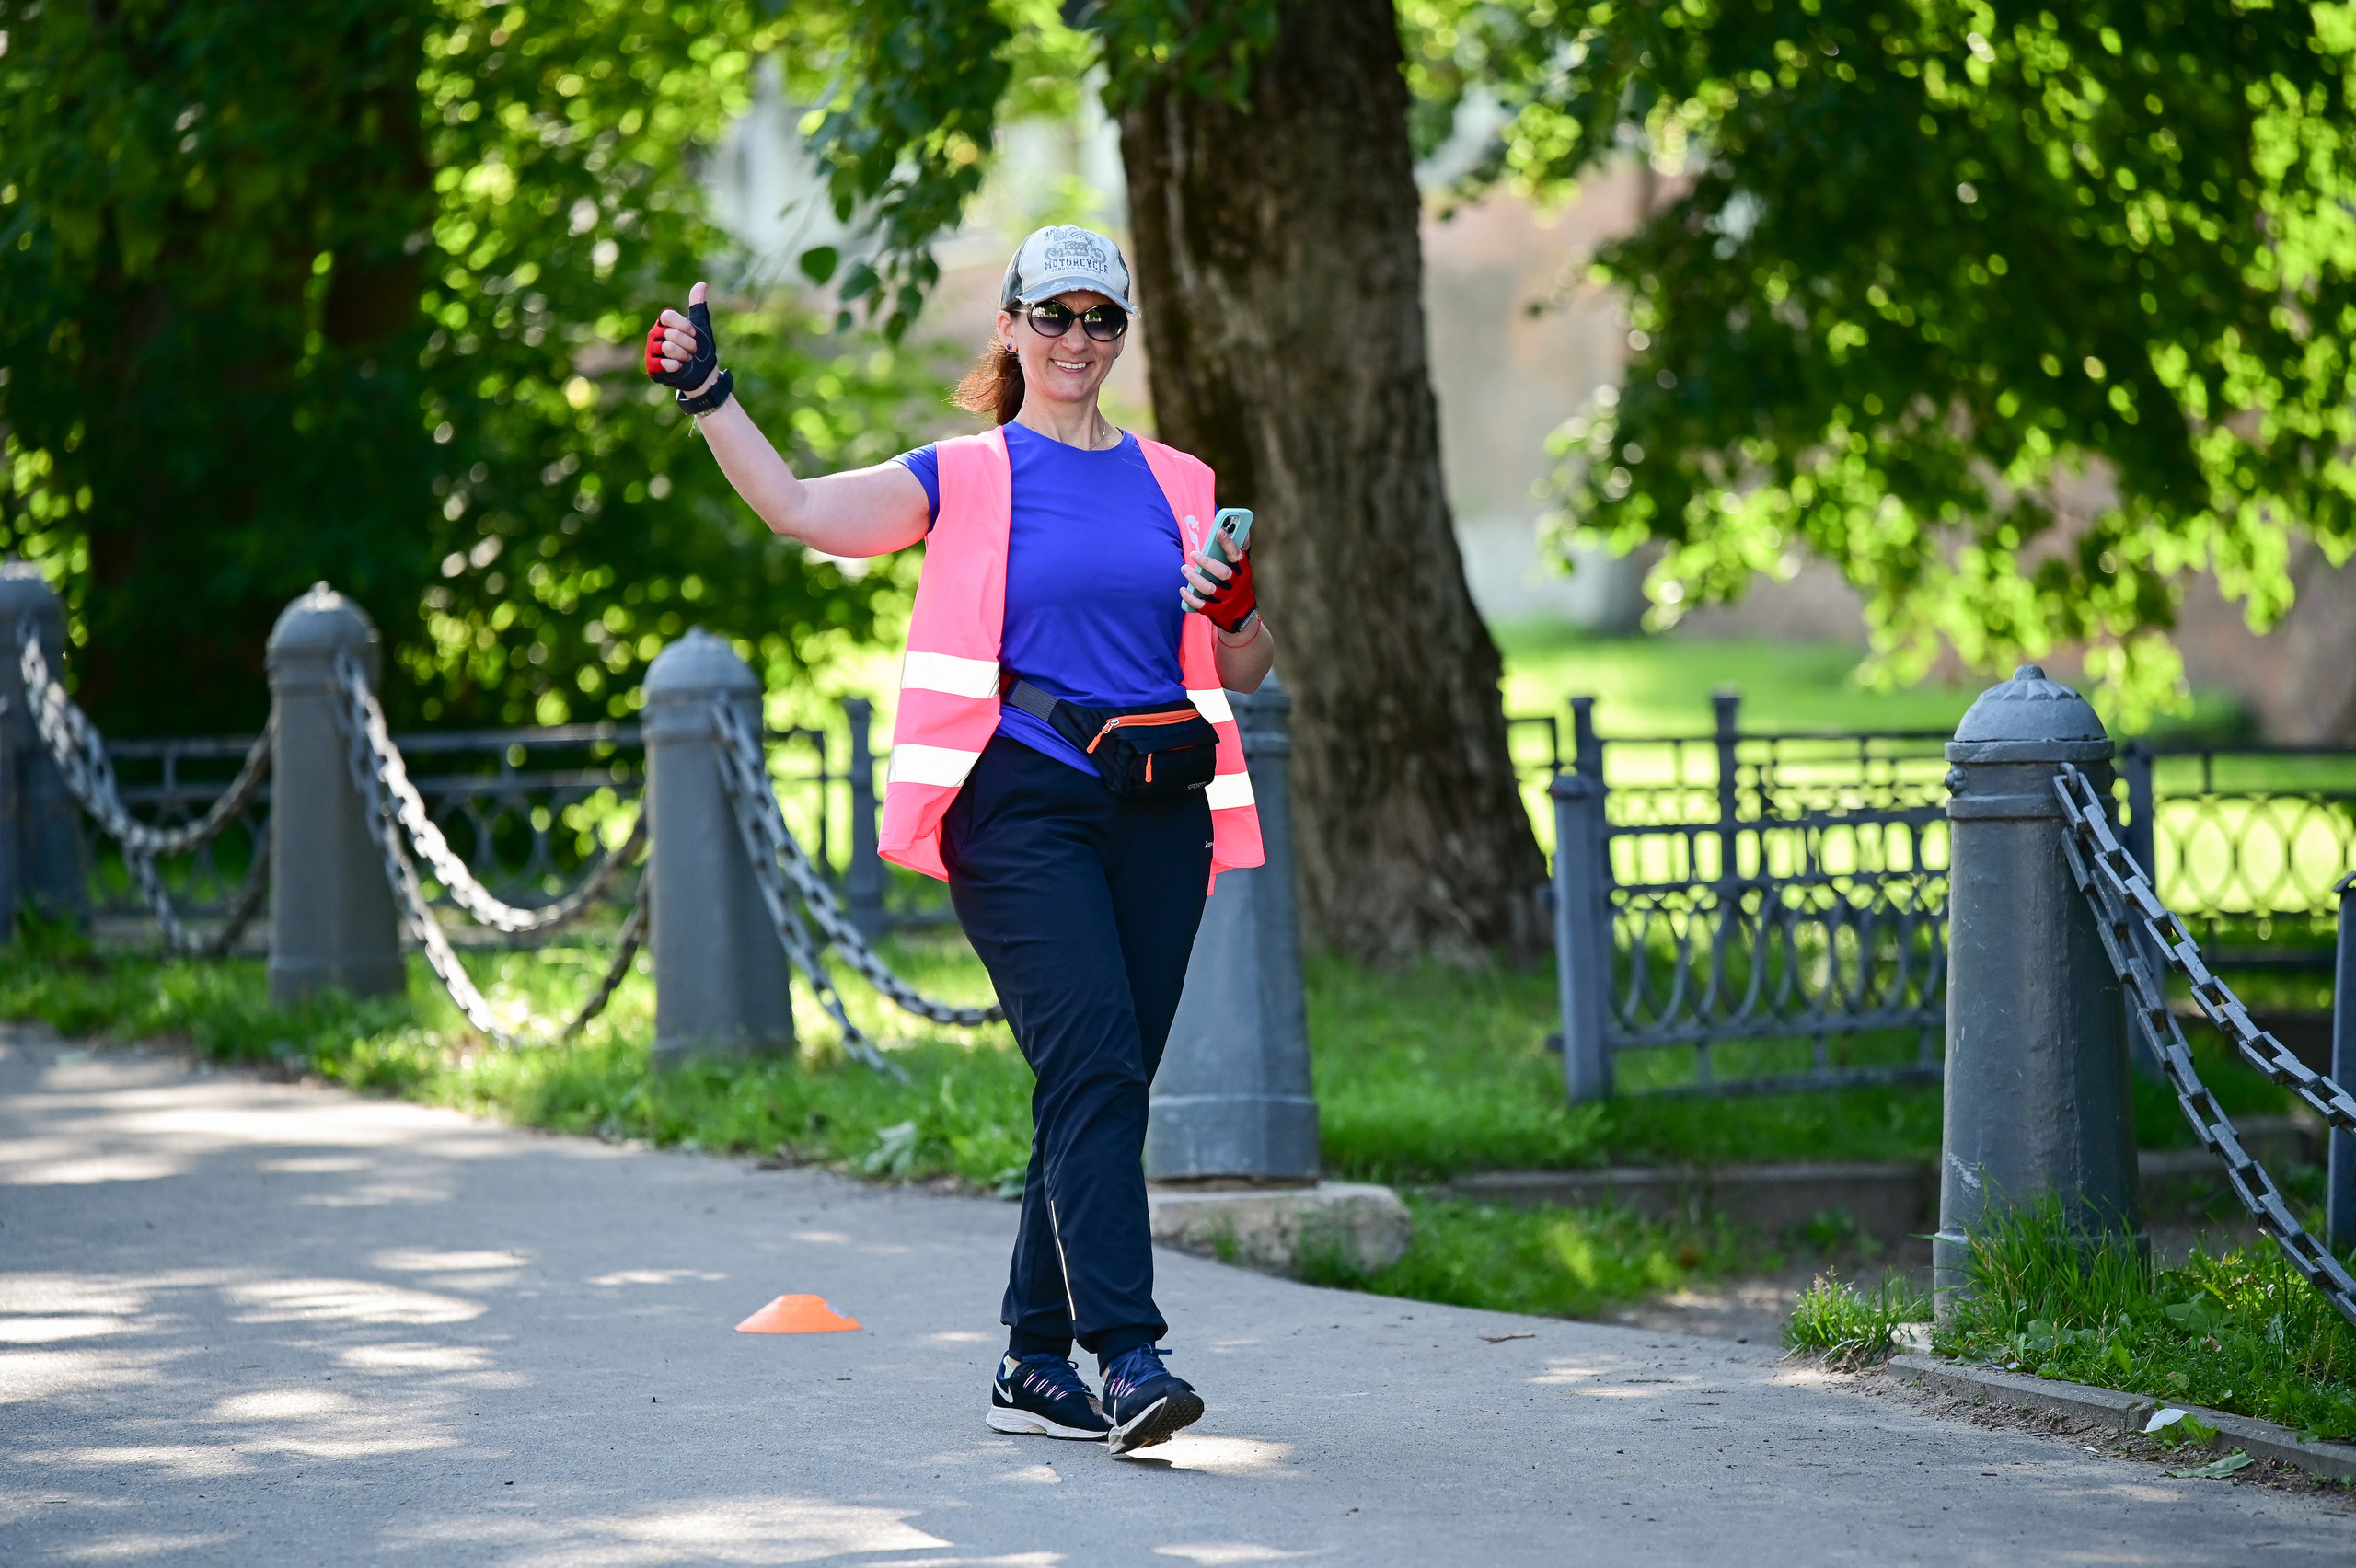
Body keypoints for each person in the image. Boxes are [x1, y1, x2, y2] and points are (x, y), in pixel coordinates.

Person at [642, 225, 1275, 1457]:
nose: (1078, 341)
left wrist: (1240, 607)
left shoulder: (1183, 483)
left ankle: (1030, 1363)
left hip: (1158, 808)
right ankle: (1127, 1353)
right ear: (1011, 327)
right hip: (1020, 805)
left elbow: (1244, 665)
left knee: (1103, 1080)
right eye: (1055, 316)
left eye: (1102, 320)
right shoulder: (969, 472)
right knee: (1092, 1060)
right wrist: (710, 395)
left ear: (1121, 334)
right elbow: (800, 509)